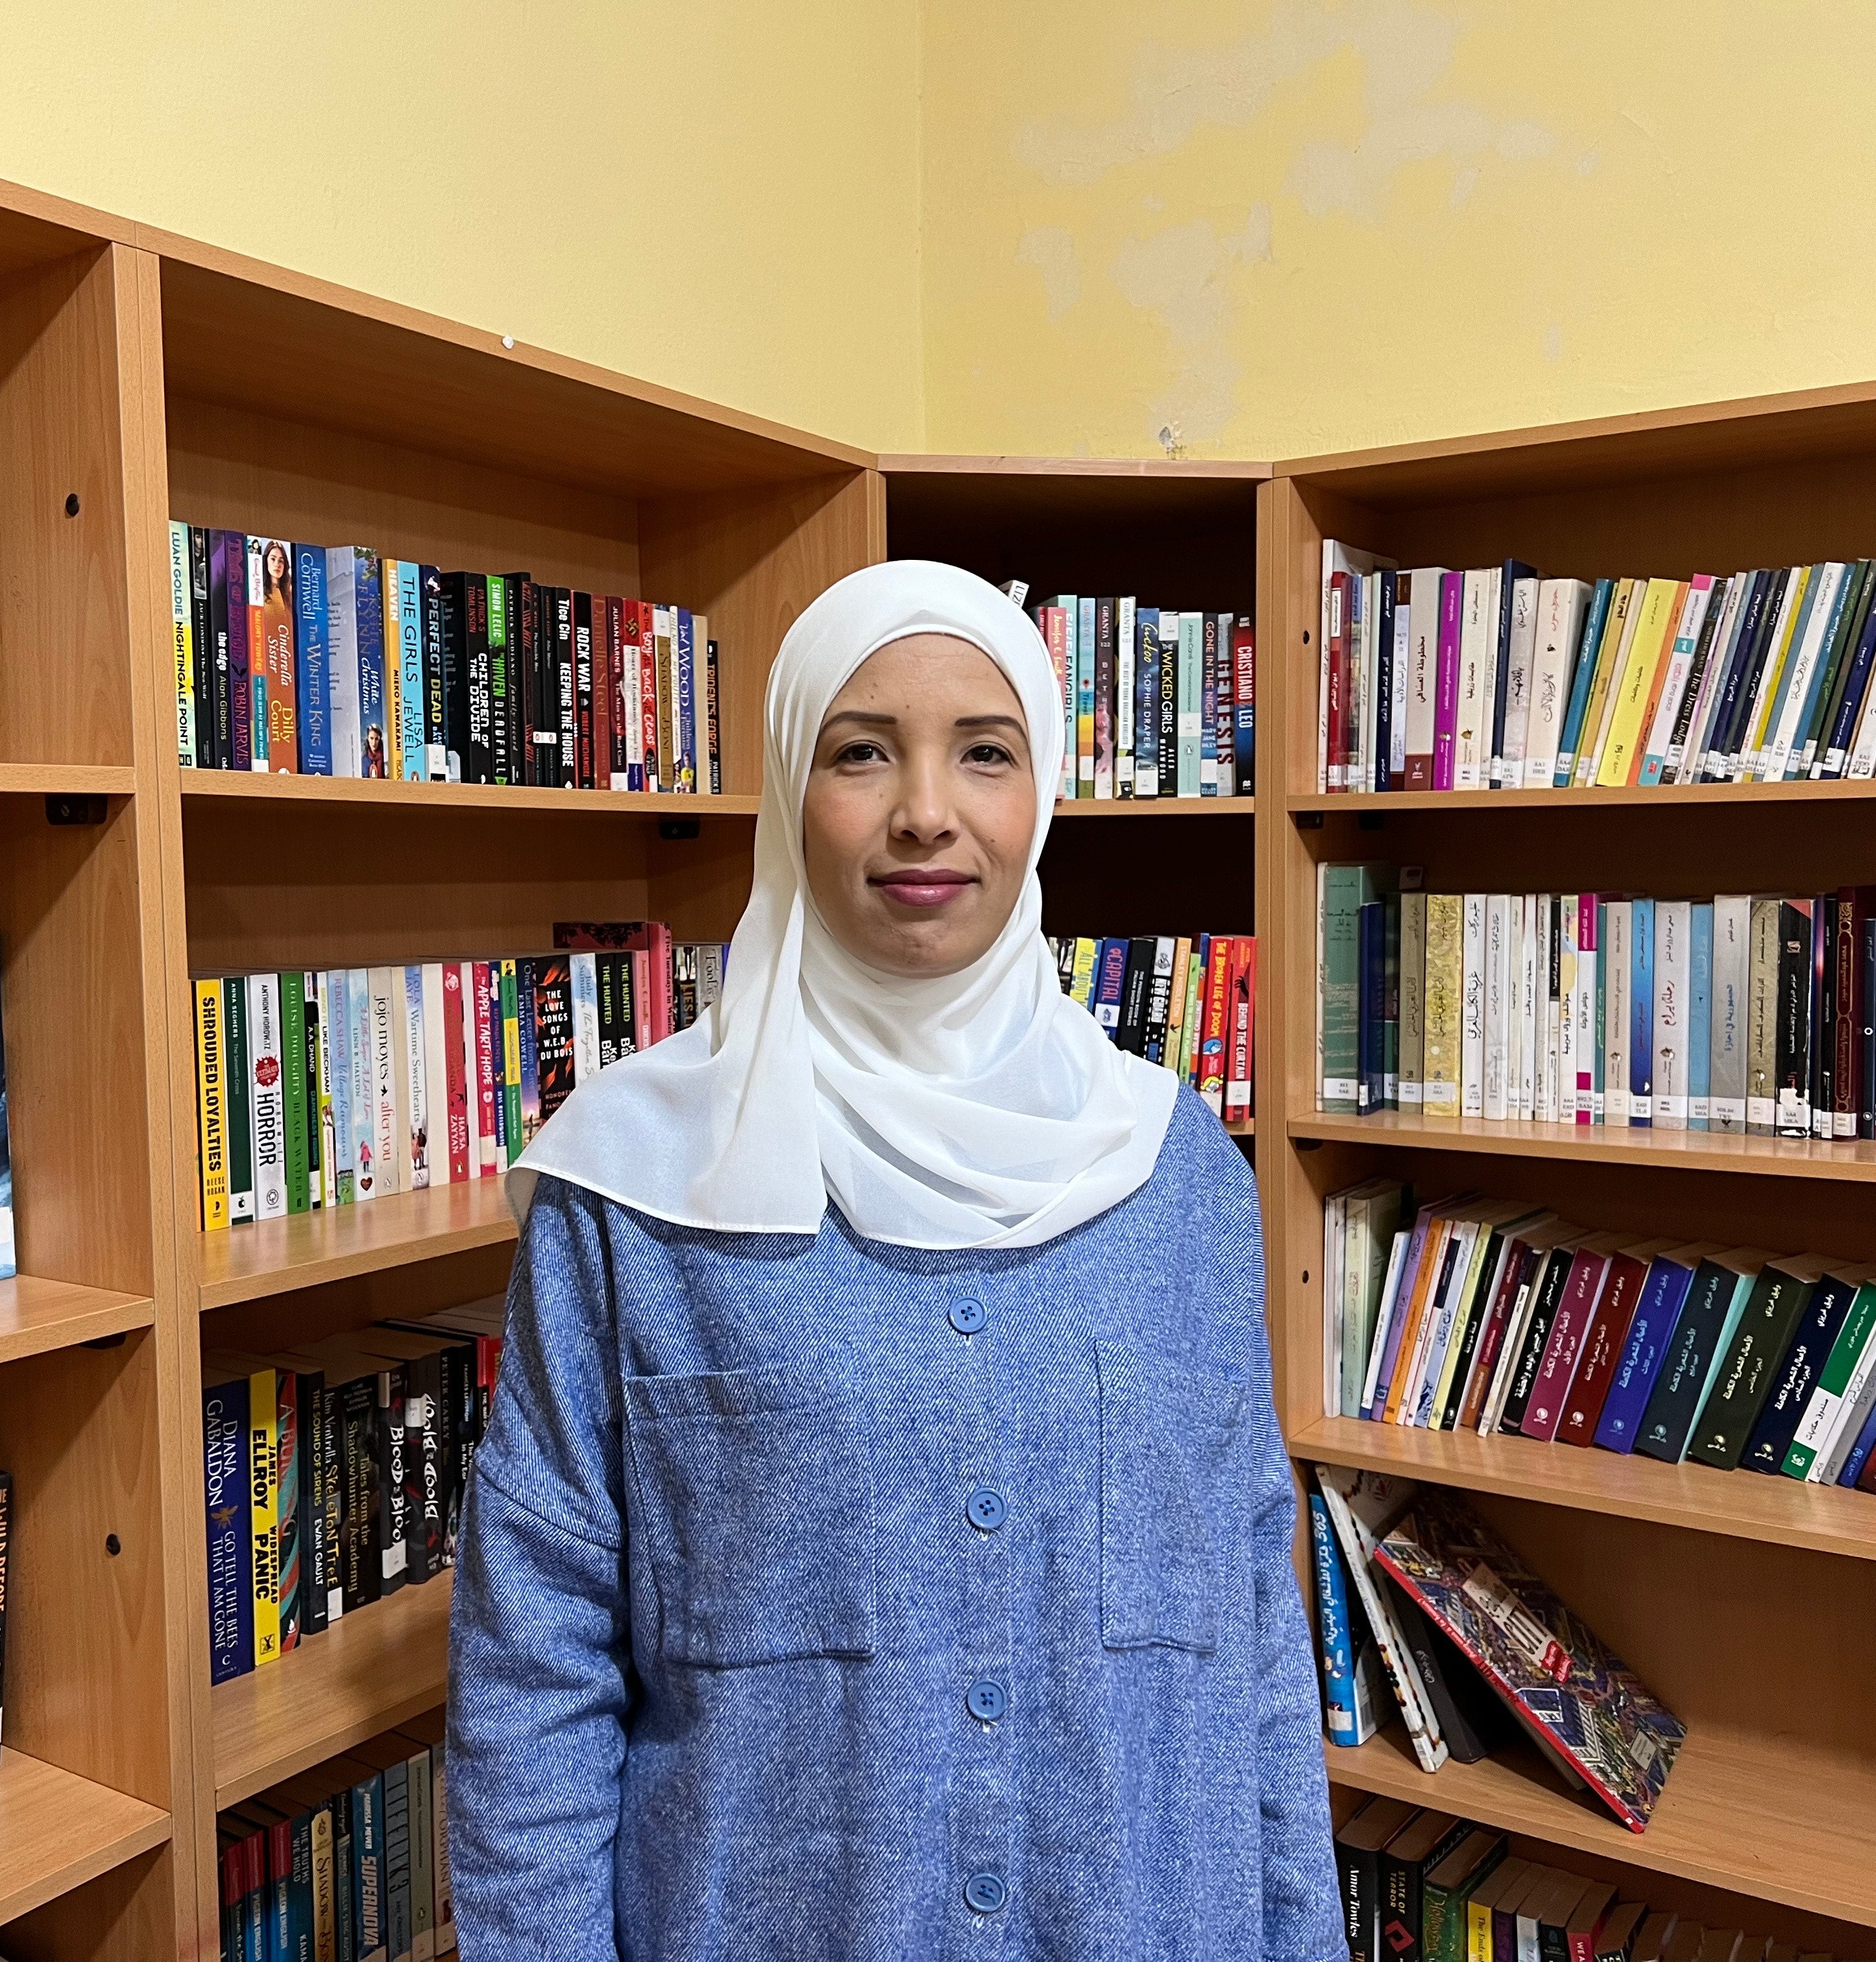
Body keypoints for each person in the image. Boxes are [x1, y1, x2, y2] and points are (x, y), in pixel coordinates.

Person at [448, 560, 1343, 1961]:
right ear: (787, 795)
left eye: (984, 753)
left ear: (1039, 794)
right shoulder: (632, 1184)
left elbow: (1251, 1638)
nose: (925, 810)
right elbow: (531, 1670)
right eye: (861, 751)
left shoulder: (1177, 1178)